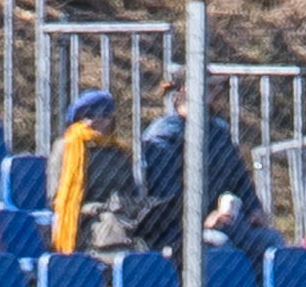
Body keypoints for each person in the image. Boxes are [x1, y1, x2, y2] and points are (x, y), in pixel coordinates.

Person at [140, 77, 260, 255]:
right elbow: (165, 195)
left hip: (223, 222)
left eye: (221, 87)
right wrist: (201, 221)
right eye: (210, 86)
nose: (218, 92)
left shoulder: (219, 132)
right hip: (176, 230)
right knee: (220, 246)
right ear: (185, 90)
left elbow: (240, 178)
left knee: (269, 240)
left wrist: (254, 209)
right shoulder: (164, 134)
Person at [50, 89, 154, 254]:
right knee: (110, 223)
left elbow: (129, 190)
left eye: (105, 115)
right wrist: (95, 208)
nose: (98, 120)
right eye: (90, 115)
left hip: (122, 215)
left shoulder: (119, 151)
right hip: (85, 220)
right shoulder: (68, 146)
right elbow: (56, 197)